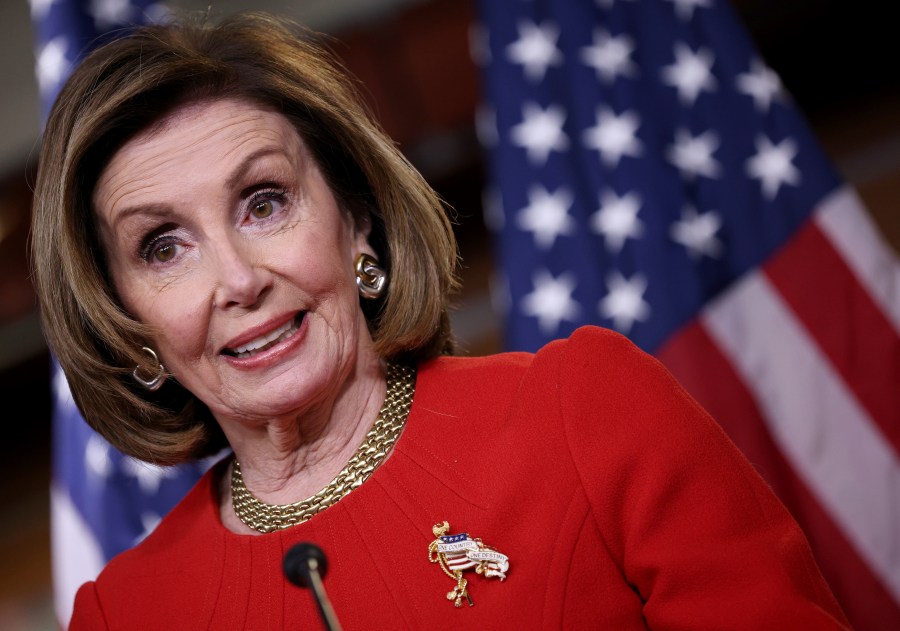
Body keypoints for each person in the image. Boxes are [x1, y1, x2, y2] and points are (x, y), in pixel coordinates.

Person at [31, 11, 852, 630]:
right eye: (163, 247)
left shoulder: (585, 413)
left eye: (265, 202)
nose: (238, 280)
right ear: (129, 321)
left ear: (357, 220)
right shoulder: (126, 611)